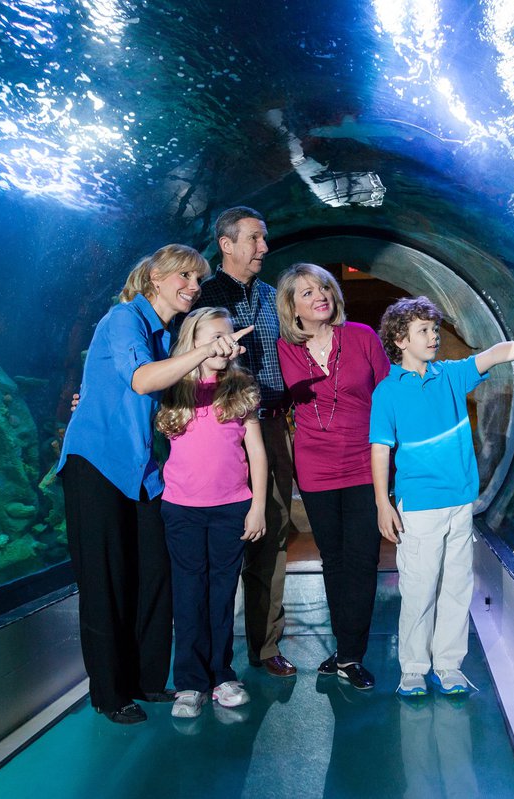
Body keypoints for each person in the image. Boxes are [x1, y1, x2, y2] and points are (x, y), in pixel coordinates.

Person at [58, 244, 249, 724]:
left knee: (154, 574)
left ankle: (147, 678)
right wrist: (206, 348)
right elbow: (142, 382)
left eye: (197, 279)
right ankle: (109, 692)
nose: (192, 285)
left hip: (142, 473)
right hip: (98, 462)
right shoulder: (125, 318)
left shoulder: (165, 337)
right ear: (155, 278)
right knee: (106, 580)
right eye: (183, 275)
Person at [369, 296, 514, 697]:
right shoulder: (387, 393)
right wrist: (383, 502)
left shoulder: (451, 375)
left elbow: (496, 353)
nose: (434, 337)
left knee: (456, 586)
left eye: (435, 330)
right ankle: (413, 669)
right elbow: (380, 449)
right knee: (419, 588)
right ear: (400, 339)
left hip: (460, 502)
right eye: (423, 331)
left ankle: (449, 665)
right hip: (419, 505)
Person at [193, 206, 297, 677]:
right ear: (226, 243)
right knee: (212, 545)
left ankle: (265, 645)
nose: (264, 248)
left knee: (271, 535)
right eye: (255, 239)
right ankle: (206, 656)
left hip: (271, 426)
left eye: (265, 238)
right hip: (214, 429)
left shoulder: (274, 297)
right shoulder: (200, 298)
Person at [275, 263, 390, 690]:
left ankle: (350, 655)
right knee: (334, 560)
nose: (319, 295)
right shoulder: (282, 349)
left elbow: (389, 397)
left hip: (365, 463)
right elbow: (257, 393)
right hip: (315, 467)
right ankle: (344, 650)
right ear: (292, 307)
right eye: (306, 292)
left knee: (362, 559)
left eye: (323, 287)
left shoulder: (361, 336)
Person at [158, 307, 268, 719]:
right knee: (188, 597)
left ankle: (221, 674)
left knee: (222, 596)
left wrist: (257, 506)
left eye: (229, 335)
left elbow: (256, 451)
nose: (224, 342)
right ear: (193, 341)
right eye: (213, 336)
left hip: (231, 509)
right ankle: (188, 683)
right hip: (182, 510)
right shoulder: (173, 388)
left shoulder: (240, 388)